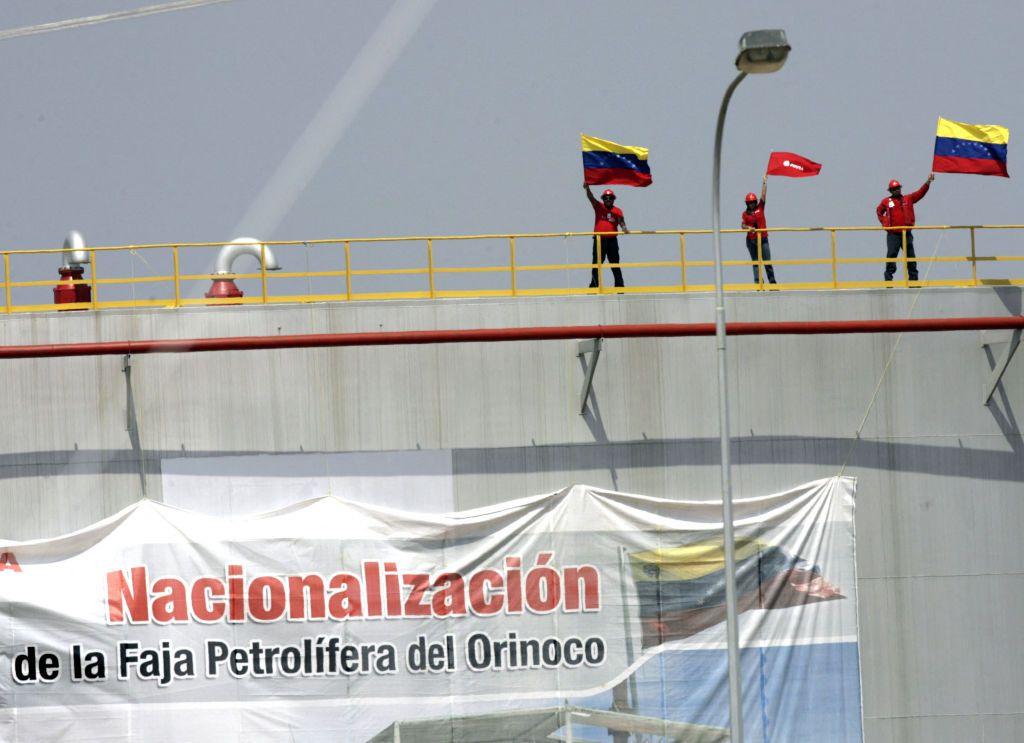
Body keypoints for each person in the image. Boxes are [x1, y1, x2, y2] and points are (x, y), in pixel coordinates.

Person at [876, 173, 934, 282]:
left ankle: (913, 280)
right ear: (890, 191)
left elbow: (920, 193)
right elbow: (879, 211)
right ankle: (888, 280)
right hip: (893, 234)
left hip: (906, 233)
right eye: (894, 189)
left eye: (897, 188)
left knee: (911, 257)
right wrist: (884, 222)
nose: (896, 190)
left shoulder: (908, 199)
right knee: (891, 256)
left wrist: (928, 182)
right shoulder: (886, 202)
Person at [584, 184, 628, 288]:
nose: (608, 200)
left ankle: (619, 286)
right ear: (603, 199)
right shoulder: (599, 207)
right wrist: (587, 188)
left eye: (610, 198)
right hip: (599, 240)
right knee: (596, 264)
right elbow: (591, 197)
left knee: (615, 264)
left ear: (613, 199)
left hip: (612, 240)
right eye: (606, 198)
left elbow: (621, 221)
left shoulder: (617, 211)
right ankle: (594, 286)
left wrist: (624, 228)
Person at [741, 174, 776, 286]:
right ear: (747, 204)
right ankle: (758, 283)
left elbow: (763, 195)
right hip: (752, 241)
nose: (751, 204)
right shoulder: (745, 214)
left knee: (767, 262)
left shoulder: (760, 208)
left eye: (753, 202)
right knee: (756, 262)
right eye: (749, 203)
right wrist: (748, 228)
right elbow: (742, 225)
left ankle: (772, 283)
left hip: (763, 239)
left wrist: (764, 182)